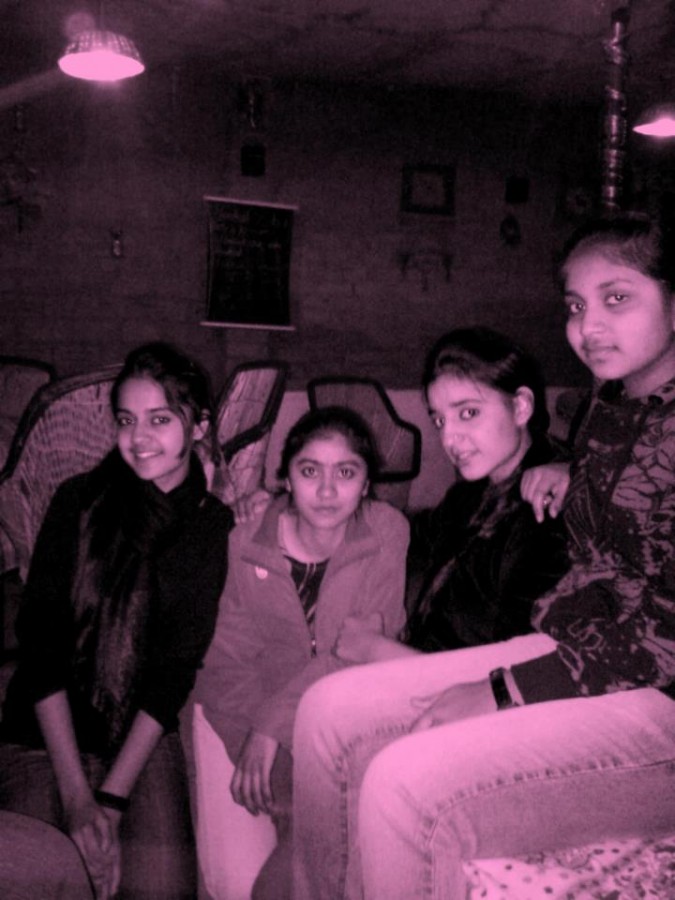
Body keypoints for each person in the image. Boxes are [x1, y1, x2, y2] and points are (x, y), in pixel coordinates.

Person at [291, 211, 675, 900]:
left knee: (403, 785)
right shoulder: (610, 404)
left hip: (656, 696)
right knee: (325, 712)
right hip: (582, 648)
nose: (587, 326)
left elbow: (663, 634)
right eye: (575, 306)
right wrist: (572, 472)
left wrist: (504, 691)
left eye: (616, 298)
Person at [0, 342, 233, 899]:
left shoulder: (208, 527)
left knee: (161, 891)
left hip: (138, 736)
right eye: (126, 420)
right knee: (40, 880)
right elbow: (40, 647)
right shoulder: (77, 502)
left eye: (160, 419)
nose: (138, 437)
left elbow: (172, 674)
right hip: (43, 732)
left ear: (199, 426)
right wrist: (77, 798)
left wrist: (110, 800)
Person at [192, 406, 409, 900]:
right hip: (250, 717)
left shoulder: (387, 531)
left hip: (351, 718)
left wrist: (272, 726)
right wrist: (259, 741)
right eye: (310, 471)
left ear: (366, 482)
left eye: (346, 473)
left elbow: (359, 653)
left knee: (343, 842)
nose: (327, 491)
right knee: (298, 837)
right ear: (286, 478)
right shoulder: (243, 541)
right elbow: (224, 663)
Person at [332, 326, 570, 666]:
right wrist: (301, 506)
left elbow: (518, 674)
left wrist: (379, 652)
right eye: (440, 420)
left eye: (468, 413)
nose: (449, 439)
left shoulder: (547, 512)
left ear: (520, 407)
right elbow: (411, 531)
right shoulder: (472, 493)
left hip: (458, 692)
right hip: (422, 664)